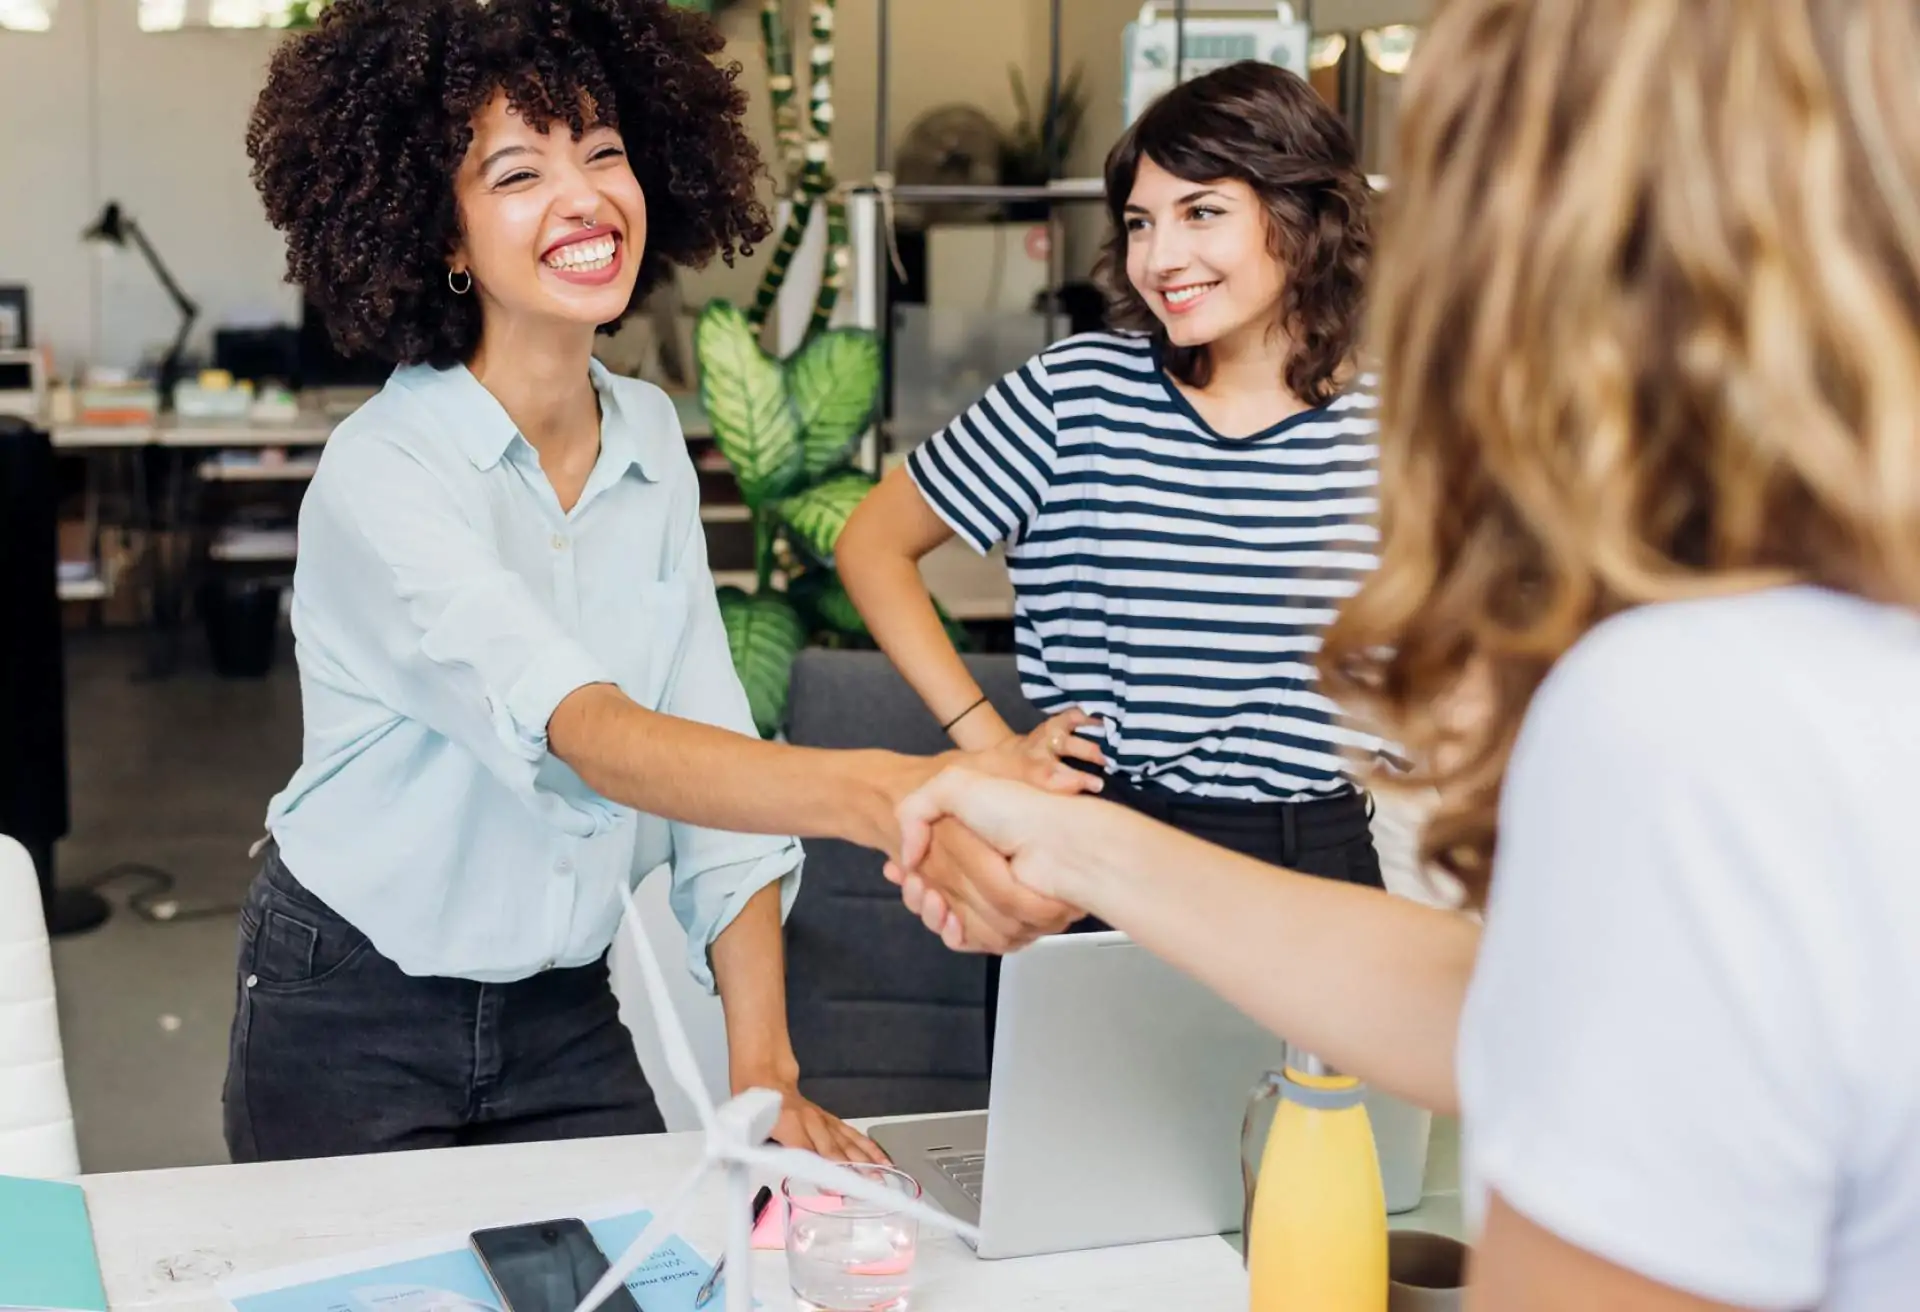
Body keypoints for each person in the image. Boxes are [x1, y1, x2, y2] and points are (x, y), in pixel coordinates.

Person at [888, 0, 1920, 1306]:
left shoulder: (1683, 706)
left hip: (1305, 826)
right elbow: (1544, 1028)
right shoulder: (1817, 663)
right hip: (1121, 829)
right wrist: (1052, 817)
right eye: (1144, 221)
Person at [226, 0, 1084, 1165]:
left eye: (605, 152)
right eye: (519, 171)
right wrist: (888, 790)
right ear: (439, 233)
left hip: (561, 1009)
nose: (585, 198)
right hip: (349, 1005)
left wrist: (765, 1076)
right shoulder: (385, 474)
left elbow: (705, 751)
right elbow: (590, 731)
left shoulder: (644, 437)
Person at [837, 61, 1392, 902]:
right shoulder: (1076, 391)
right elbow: (872, 543)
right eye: (1140, 223)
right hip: (1095, 847)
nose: (1161, 257)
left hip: (1315, 854)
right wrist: (984, 741)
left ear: (1305, 216)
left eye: (1202, 212)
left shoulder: (1393, 428)